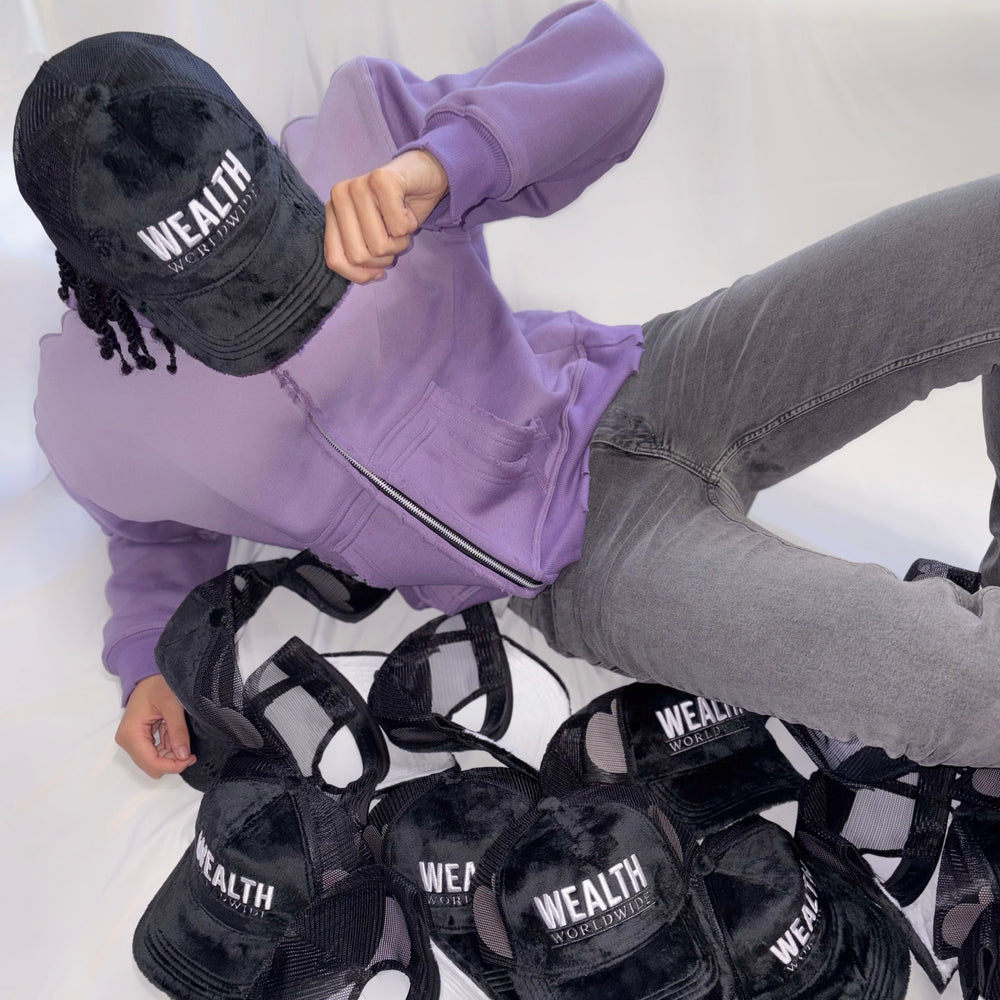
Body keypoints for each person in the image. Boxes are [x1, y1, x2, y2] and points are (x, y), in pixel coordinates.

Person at [12, 0, 1000, 782]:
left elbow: (612, 60)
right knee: (974, 692)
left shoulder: (359, 132)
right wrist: (145, 658)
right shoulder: (91, 412)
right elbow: (156, 531)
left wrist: (443, 163)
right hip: (589, 566)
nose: (281, 305)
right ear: (101, 271)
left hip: (654, 377)